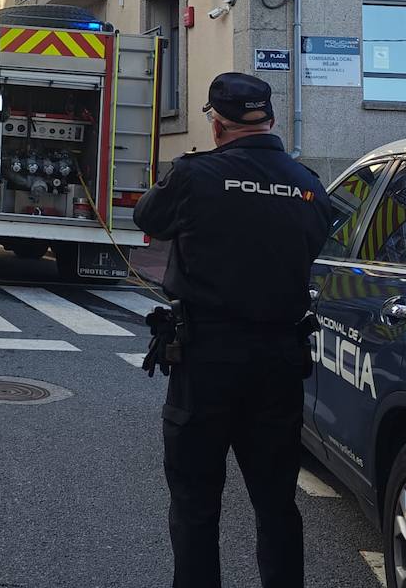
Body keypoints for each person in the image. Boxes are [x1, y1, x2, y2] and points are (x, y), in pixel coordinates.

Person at [133, 72, 332, 588]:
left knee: (196, 501)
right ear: (269, 119)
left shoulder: (196, 175)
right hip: (280, 361)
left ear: (217, 125)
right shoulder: (309, 186)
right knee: (276, 502)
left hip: (207, 358)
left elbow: (147, 217)